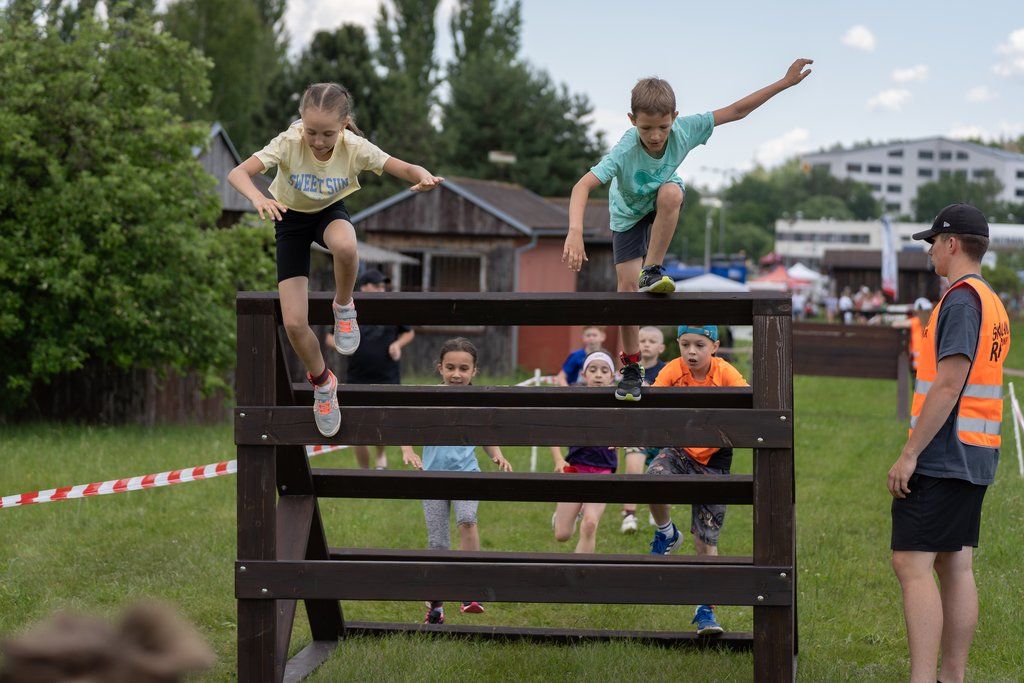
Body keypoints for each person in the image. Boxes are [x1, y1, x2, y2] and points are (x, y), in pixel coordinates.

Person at [562, 58, 813, 401]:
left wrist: (783, 83)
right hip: (627, 215)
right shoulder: (624, 149)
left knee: (671, 192)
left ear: (674, 119)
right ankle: (632, 368)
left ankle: (653, 269)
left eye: (663, 128)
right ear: (632, 121)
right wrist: (574, 231)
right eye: (646, 128)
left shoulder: (686, 129)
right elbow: (582, 186)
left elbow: (737, 110)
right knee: (625, 291)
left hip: (663, 199)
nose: (655, 136)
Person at [227, 82, 443, 437]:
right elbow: (238, 172)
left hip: (329, 212)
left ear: (344, 125)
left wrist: (422, 175)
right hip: (289, 221)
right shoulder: (288, 141)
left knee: (346, 246)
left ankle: (344, 307)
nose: (317, 141)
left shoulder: (355, 147)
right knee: (295, 324)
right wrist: (257, 197)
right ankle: (324, 384)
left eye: (327, 133)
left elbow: (401, 167)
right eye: (311, 131)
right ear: (300, 120)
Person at [887, 203, 1010, 683]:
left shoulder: (960, 300)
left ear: (952, 243)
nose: (930, 251)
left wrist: (910, 452)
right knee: (954, 562)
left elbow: (949, 382)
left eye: (932, 242)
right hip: (975, 449)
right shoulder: (990, 300)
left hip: (944, 452)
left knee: (911, 562)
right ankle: (951, 676)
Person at [646, 325, 749, 636]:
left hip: (715, 461)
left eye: (700, 345)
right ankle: (666, 532)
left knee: (706, 542)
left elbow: (749, 399)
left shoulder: (725, 373)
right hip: (679, 448)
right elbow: (653, 398)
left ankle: (706, 609)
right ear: (677, 344)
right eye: (685, 344)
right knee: (653, 478)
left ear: (715, 346)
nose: (691, 352)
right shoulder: (672, 369)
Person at [401, 338, 513, 625]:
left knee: (467, 519)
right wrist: (409, 451)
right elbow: (409, 426)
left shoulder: (476, 400)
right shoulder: (431, 398)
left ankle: (469, 587)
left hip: (467, 472)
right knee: (437, 542)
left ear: (474, 371)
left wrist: (497, 456)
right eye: (450, 367)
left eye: (464, 368)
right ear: (440, 368)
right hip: (433, 477)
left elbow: (486, 435)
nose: (456, 374)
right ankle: (436, 606)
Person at [343, 268, 415, 469]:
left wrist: (398, 344)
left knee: (381, 420)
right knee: (357, 426)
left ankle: (381, 454)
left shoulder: (391, 307)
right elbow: (331, 338)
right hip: (357, 377)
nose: (382, 289)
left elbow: (409, 333)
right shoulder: (350, 309)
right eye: (377, 285)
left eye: (384, 286)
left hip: (387, 376)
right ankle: (364, 472)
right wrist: (344, 345)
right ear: (364, 287)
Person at [551, 351, 619, 553]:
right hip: (575, 468)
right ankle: (572, 513)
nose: (599, 374)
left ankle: (580, 573)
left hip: (603, 470)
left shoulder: (618, 404)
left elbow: (629, 431)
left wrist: (620, 441)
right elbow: (552, 432)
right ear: (584, 374)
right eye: (593, 369)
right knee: (562, 535)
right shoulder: (576, 401)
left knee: (590, 525)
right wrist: (558, 459)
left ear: (612, 376)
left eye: (604, 370)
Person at [619, 326, 667, 533]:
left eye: (652, 341)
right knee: (633, 469)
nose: (646, 344)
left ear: (662, 347)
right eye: (642, 340)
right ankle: (629, 515)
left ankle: (656, 511)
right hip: (636, 429)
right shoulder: (628, 371)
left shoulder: (668, 371)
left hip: (659, 431)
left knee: (659, 474)